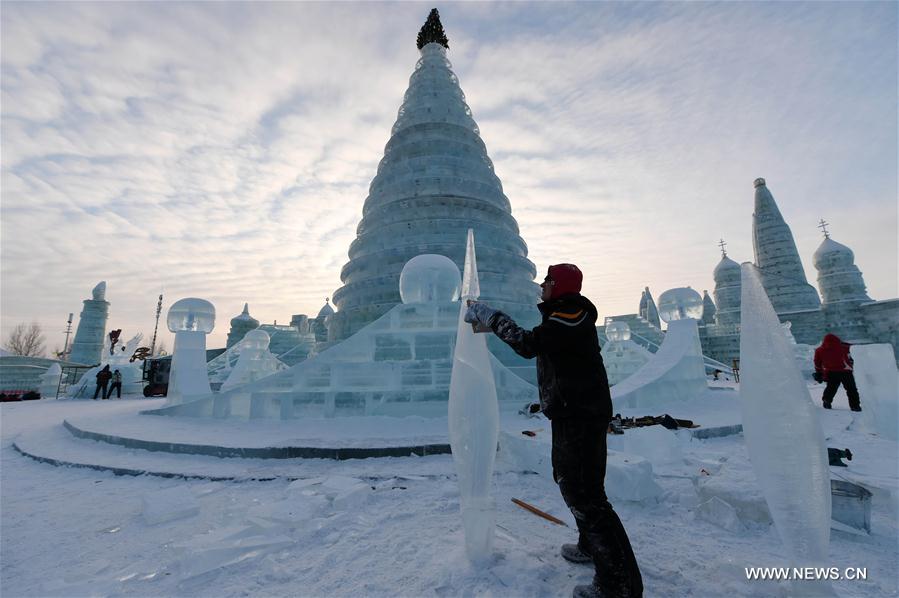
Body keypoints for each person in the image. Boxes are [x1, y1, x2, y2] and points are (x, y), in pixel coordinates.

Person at [465, 263, 643, 598]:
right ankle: (591, 546)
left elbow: (528, 344)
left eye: (547, 281)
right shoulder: (566, 316)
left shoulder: (570, 316)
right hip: (573, 413)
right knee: (575, 483)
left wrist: (492, 316)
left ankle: (618, 584)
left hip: (580, 416)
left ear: (559, 286)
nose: (541, 286)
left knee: (585, 495)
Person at [814, 333, 861, 411]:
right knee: (851, 389)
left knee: (831, 388)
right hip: (845, 372)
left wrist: (819, 372)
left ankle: (827, 400)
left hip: (831, 372)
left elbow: (817, 363)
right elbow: (855, 349)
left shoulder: (819, 350)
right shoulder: (844, 347)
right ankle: (855, 406)